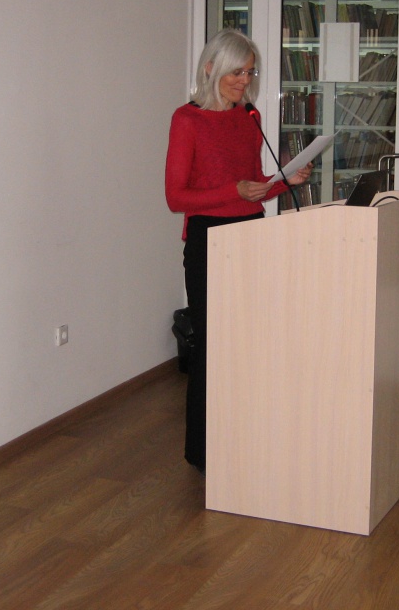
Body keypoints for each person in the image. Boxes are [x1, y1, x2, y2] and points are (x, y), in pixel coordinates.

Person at [165, 28, 311, 473]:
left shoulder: (250, 116)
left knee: (251, 344)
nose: (244, 81)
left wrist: (283, 181)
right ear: (211, 68)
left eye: (250, 72)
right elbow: (176, 197)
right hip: (210, 240)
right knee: (214, 346)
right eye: (236, 72)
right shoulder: (186, 120)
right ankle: (204, 452)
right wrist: (235, 191)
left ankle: (246, 438)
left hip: (251, 234)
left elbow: (253, 187)